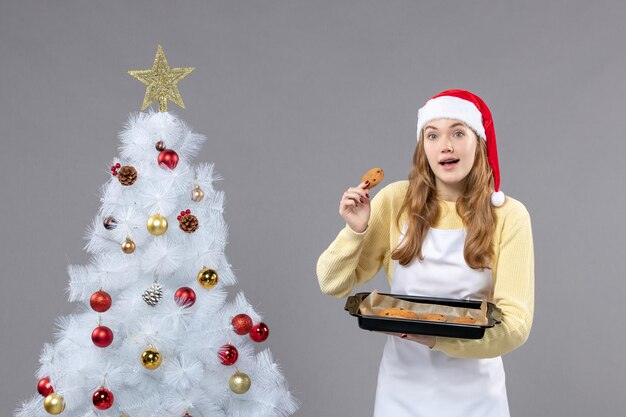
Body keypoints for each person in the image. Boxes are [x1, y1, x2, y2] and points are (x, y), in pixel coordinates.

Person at [316, 89, 534, 417]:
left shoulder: (508, 215)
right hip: (402, 393)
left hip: (476, 396)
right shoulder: (394, 201)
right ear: (423, 147)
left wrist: (435, 338)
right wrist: (354, 231)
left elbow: (516, 325)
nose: (445, 145)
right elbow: (331, 283)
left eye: (458, 133)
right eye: (432, 135)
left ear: (479, 141)